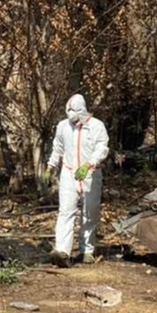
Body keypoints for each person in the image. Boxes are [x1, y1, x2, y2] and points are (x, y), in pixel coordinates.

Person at [45, 94, 110, 266]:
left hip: (91, 174)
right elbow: (57, 148)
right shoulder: (63, 127)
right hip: (69, 172)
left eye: (75, 115)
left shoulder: (97, 126)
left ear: (82, 111)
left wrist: (89, 164)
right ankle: (62, 251)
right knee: (66, 211)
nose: (72, 119)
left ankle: (87, 250)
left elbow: (102, 148)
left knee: (90, 212)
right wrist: (50, 167)